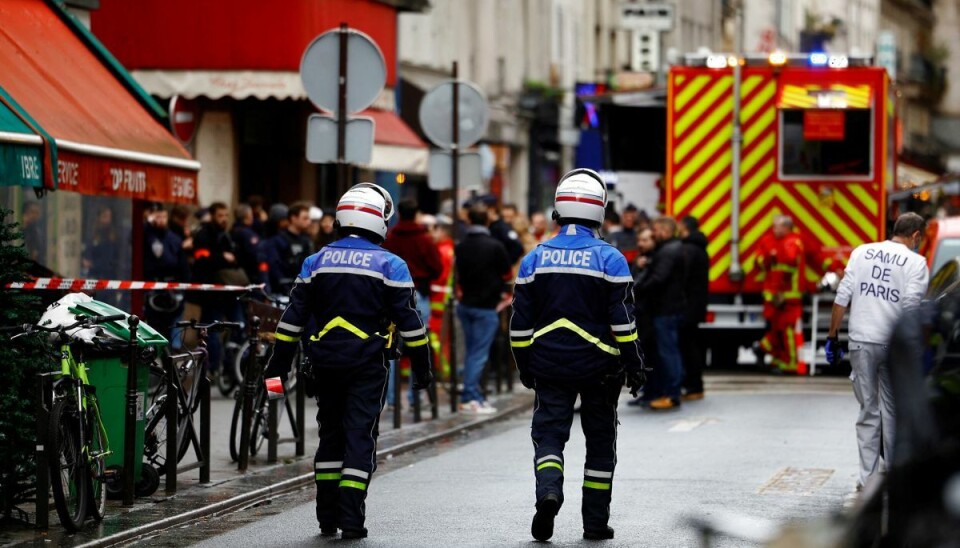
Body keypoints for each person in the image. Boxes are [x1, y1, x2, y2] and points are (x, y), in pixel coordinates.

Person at [263, 183, 433, 540]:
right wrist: (422, 367)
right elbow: (411, 325)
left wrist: (276, 365)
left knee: (330, 435)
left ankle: (326, 517)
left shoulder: (316, 261)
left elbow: (291, 319)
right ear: (379, 221)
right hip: (367, 365)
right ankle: (351, 519)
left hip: (323, 363)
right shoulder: (390, 264)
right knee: (359, 436)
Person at [510, 168, 645, 542]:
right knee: (600, 445)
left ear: (559, 209)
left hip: (549, 366)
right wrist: (635, 366)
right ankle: (595, 524)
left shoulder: (534, 259)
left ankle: (549, 491)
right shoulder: (611, 259)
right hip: (601, 369)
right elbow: (624, 323)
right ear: (599, 211)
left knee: (549, 437)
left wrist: (525, 367)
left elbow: (519, 327)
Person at [826, 212, 929, 491]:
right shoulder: (916, 263)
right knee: (893, 412)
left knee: (868, 412)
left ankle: (867, 479)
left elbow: (842, 297)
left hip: (860, 341)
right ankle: (895, 477)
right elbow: (910, 309)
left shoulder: (862, 252)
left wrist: (832, 336)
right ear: (916, 236)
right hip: (892, 345)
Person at [382, 198, 442, 409]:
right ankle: (415, 397)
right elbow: (437, 267)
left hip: (389, 295)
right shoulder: (424, 240)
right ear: (416, 214)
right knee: (417, 342)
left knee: (390, 345)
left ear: (398, 213)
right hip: (419, 293)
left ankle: (389, 398)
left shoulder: (389, 239)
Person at [455, 202, 511, 413]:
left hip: (466, 304)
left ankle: (474, 394)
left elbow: (458, 274)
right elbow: (506, 274)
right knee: (478, 354)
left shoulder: (461, 245)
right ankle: (470, 397)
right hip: (486, 306)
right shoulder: (494, 246)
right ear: (487, 220)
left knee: (472, 352)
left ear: (469, 220)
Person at [633, 216, 686, 410]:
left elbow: (658, 278)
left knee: (668, 353)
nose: (654, 233)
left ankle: (672, 394)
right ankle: (669, 391)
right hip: (666, 308)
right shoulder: (669, 249)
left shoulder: (667, 251)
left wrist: (636, 290)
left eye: (656, 230)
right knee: (667, 352)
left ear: (665, 229)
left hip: (665, 309)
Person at [191, 203, 247, 373]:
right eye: (220, 215)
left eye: (226, 215)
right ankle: (213, 368)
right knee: (211, 331)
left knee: (240, 326)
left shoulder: (227, 236)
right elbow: (202, 260)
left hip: (230, 292)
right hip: (212, 294)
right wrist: (222, 257)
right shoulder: (203, 235)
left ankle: (231, 364)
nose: (224, 219)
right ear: (213, 216)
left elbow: (238, 258)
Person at [756, 215, 805, 374]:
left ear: (786, 227)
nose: (774, 229)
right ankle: (776, 357)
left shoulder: (792, 242)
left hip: (788, 296)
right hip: (776, 296)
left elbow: (788, 265)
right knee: (777, 329)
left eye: (777, 226)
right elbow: (759, 262)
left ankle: (788, 363)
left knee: (787, 331)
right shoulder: (771, 241)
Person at [143, 204, 189, 344]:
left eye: (163, 216)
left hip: (172, 290)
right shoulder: (146, 234)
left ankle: (172, 356)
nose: (161, 220)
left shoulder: (174, 238)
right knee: (155, 328)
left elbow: (182, 265)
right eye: (157, 217)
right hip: (152, 288)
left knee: (172, 330)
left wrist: (183, 287)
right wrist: (148, 224)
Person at [627, 227, 661, 407]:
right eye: (640, 240)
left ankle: (653, 392)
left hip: (650, 314)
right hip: (641, 314)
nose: (641, 244)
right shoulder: (640, 260)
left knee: (651, 356)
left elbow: (637, 286)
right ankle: (647, 391)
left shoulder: (653, 260)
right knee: (644, 355)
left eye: (645, 240)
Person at [678, 215, 709, 400]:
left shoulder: (688, 250)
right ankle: (694, 385)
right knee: (691, 345)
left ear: (684, 228)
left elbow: (683, 278)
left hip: (687, 306)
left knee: (687, 347)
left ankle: (693, 386)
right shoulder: (699, 248)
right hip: (695, 305)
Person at [261, 202, 314, 296]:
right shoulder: (278, 240)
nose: (309, 222)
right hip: (283, 291)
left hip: (303, 289)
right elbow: (275, 268)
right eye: (305, 218)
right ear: (293, 218)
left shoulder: (307, 241)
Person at [481, 194, 524, 264]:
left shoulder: (502, 227)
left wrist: (505, 264)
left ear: (491, 209)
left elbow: (518, 247)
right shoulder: (491, 225)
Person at [231, 204, 262, 285]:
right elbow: (255, 254)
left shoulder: (232, 230)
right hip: (250, 273)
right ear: (248, 216)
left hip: (238, 270)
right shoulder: (248, 234)